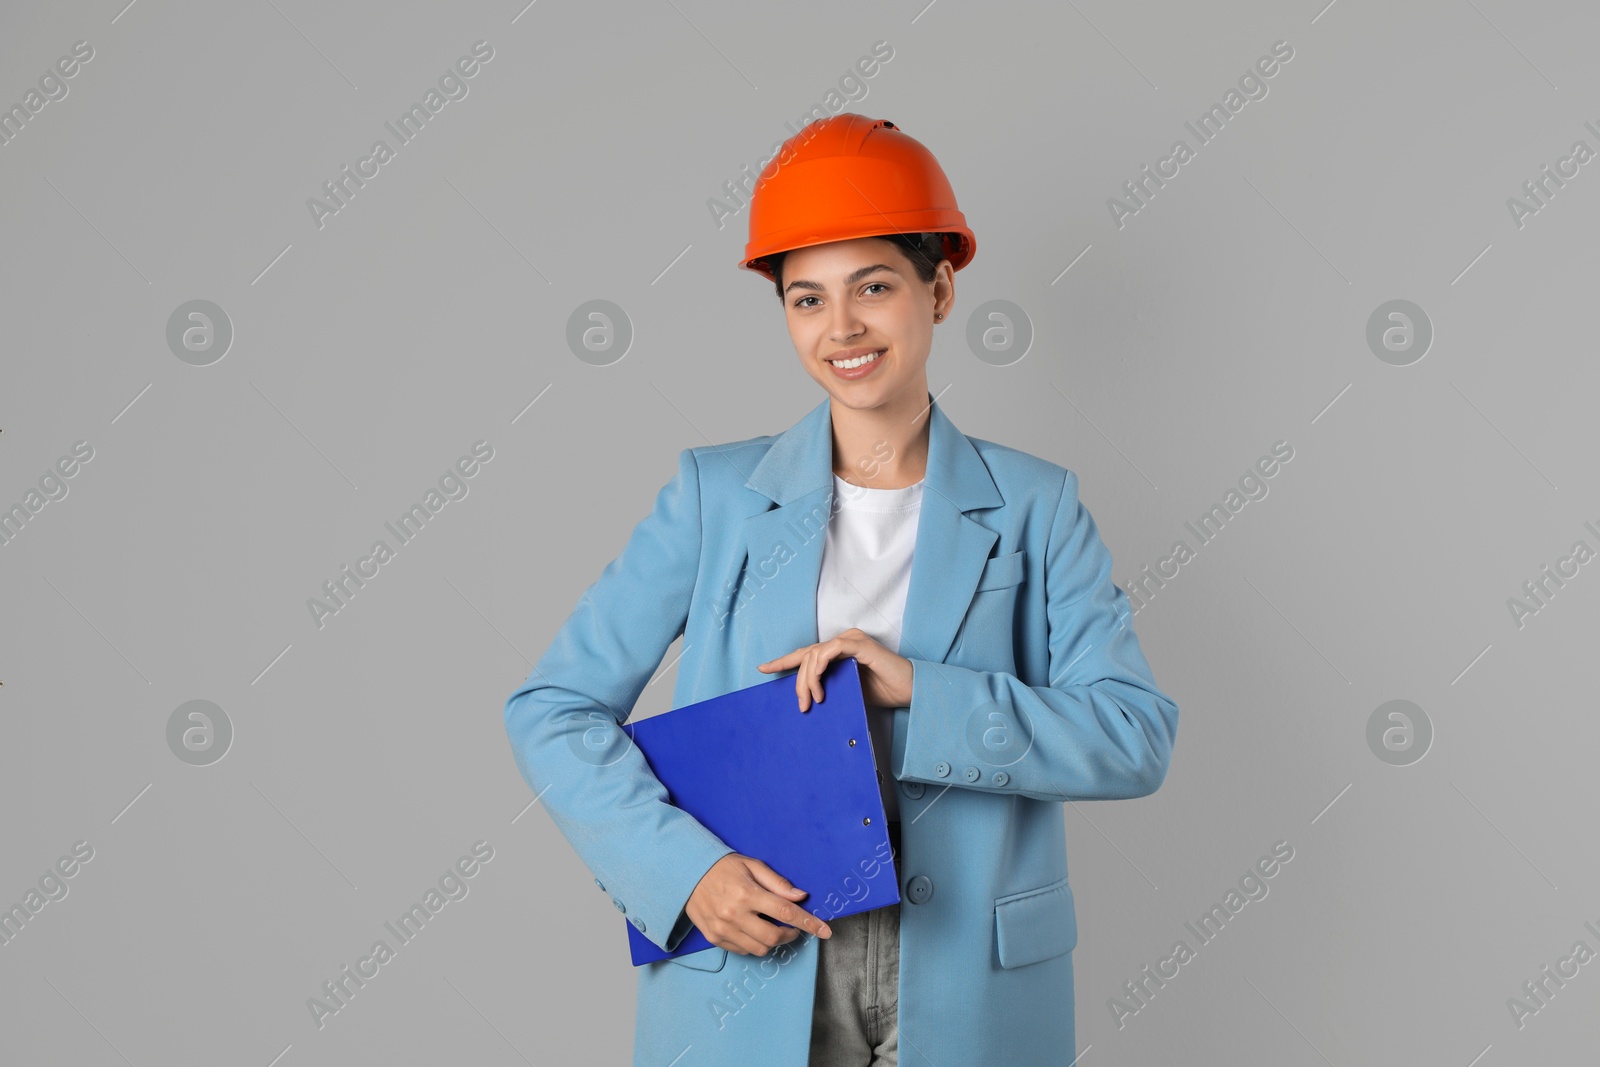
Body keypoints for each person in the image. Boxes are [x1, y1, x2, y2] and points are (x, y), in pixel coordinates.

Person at [503, 113, 1180, 1067]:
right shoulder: (716, 500)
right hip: (757, 963)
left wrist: (923, 690)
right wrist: (683, 873)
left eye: (874, 286)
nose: (843, 329)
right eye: (807, 299)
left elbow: (1135, 735)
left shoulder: (1037, 505)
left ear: (939, 290)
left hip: (972, 977)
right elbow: (553, 707)